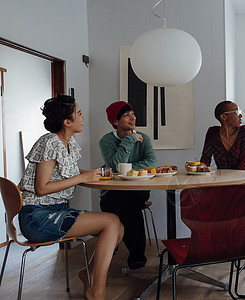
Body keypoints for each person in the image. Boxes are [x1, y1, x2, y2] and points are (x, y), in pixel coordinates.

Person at [18, 95, 124, 300]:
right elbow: (41, 188)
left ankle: (88, 275)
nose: (83, 117)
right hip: (38, 218)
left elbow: (70, 173)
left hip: (56, 211)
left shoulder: (67, 142)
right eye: (79, 113)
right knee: (111, 222)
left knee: (119, 227)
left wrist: (94, 173)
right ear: (67, 122)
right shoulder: (50, 142)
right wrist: (83, 176)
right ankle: (97, 291)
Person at [99, 101, 157, 270]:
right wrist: (129, 141)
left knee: (125, 202)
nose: (132, 117)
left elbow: (151, 162)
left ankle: (113, 240)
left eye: (132, 113)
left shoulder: (144, 138)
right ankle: (136, 256)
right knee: (128, 206)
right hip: (114, 190)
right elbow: (115, 167)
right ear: (115, 122)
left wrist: (126, 170)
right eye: (126, 114)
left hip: (138, 188)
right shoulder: (106, 141)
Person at [200, 100, 245, 171]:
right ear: (223, 117)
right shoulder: (213, 132)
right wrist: (200, 168)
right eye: (236, 112)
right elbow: (205, 160)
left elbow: (244, 165)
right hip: (224, 179)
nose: (241, 116)